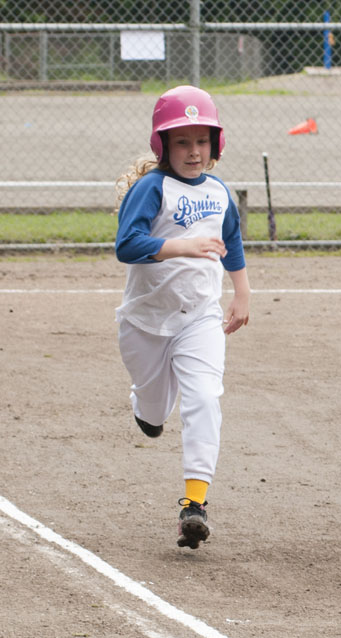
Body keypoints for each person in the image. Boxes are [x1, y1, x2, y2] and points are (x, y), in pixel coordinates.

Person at [114, 85, 251, 550]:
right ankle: (145, 408)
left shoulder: (218, 191)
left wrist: (242, 294)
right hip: (145, 322)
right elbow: (126, 245)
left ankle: (195, 504)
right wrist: (180, 245)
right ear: (163, 146)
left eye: (201, 141)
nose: (193, 151)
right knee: (155, 410)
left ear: (215, 145)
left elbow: (231, 243)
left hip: (199, 318)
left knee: (204, 397)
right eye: (181, 142)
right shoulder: (152, 188)